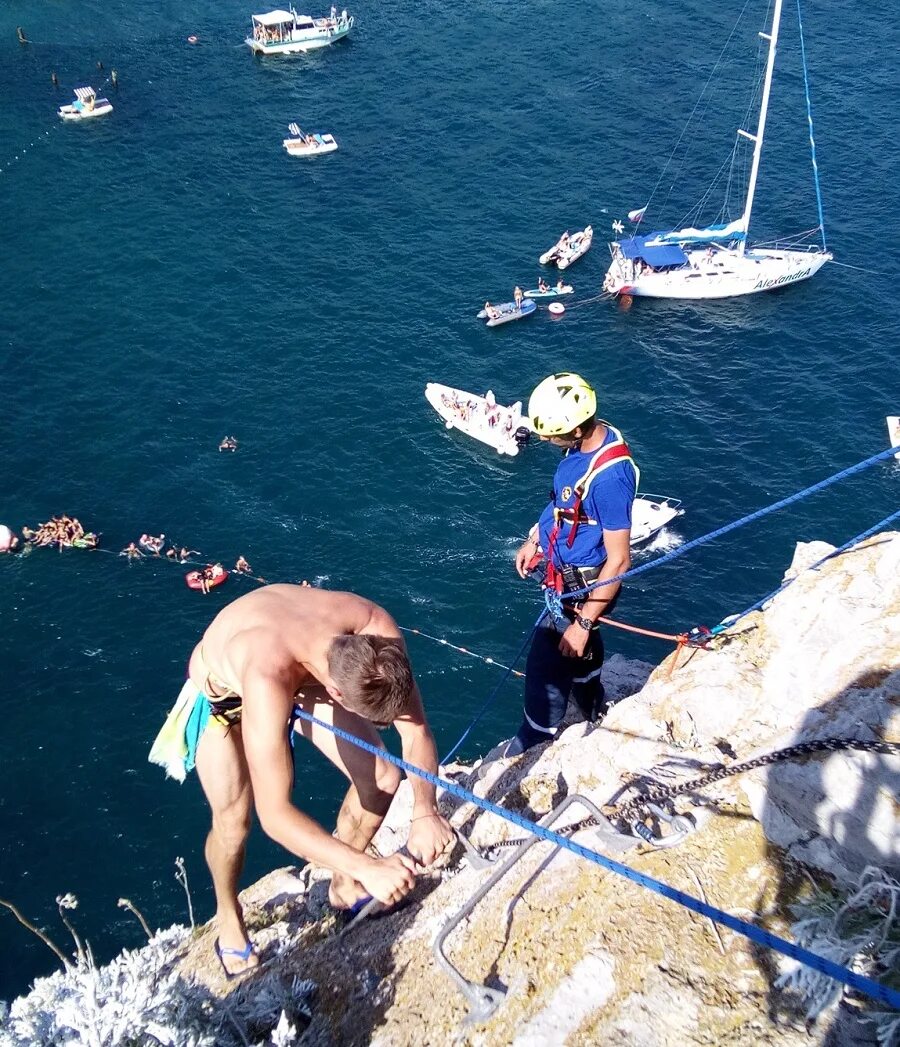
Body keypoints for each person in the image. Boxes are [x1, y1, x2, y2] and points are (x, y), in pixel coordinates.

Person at [148, 585, 454, 976]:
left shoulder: (377, 630)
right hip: (224, 698)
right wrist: (371, 868)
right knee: (234, 823)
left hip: (302, 665)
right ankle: (228, 916)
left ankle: (344, 886)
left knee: (381, 776)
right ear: (336, 694)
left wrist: (425, 812)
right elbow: (275, 816)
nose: (380, 726)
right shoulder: (267, 675)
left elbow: (415, 731)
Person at [507, 373, 638, 757]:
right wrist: (535, 538)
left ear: (578, 428)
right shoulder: (585, 444)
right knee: (582, 652)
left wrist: (581, 624)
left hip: (583, 590)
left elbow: (620, 559)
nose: (546, 441)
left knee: (545, 667)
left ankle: (533, 741)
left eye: (553, 434)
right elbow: (564, 504)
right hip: (568, 575)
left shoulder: (611, 478)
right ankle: (591, 701)